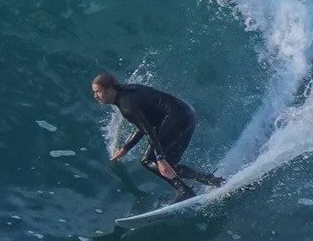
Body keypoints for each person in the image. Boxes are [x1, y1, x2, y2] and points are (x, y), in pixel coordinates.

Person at [93, 73, 224, 200]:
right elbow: (144, 126)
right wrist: (126, 148)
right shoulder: (128, 91)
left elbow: (149, 130)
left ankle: (184, 190)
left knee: (148, 160)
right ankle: (212, 180)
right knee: (170, 165)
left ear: (110, 89)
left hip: (178, 119)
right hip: (186, 114)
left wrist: (160, 158)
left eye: (98, 92)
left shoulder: (127, 106)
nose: (95, 96)